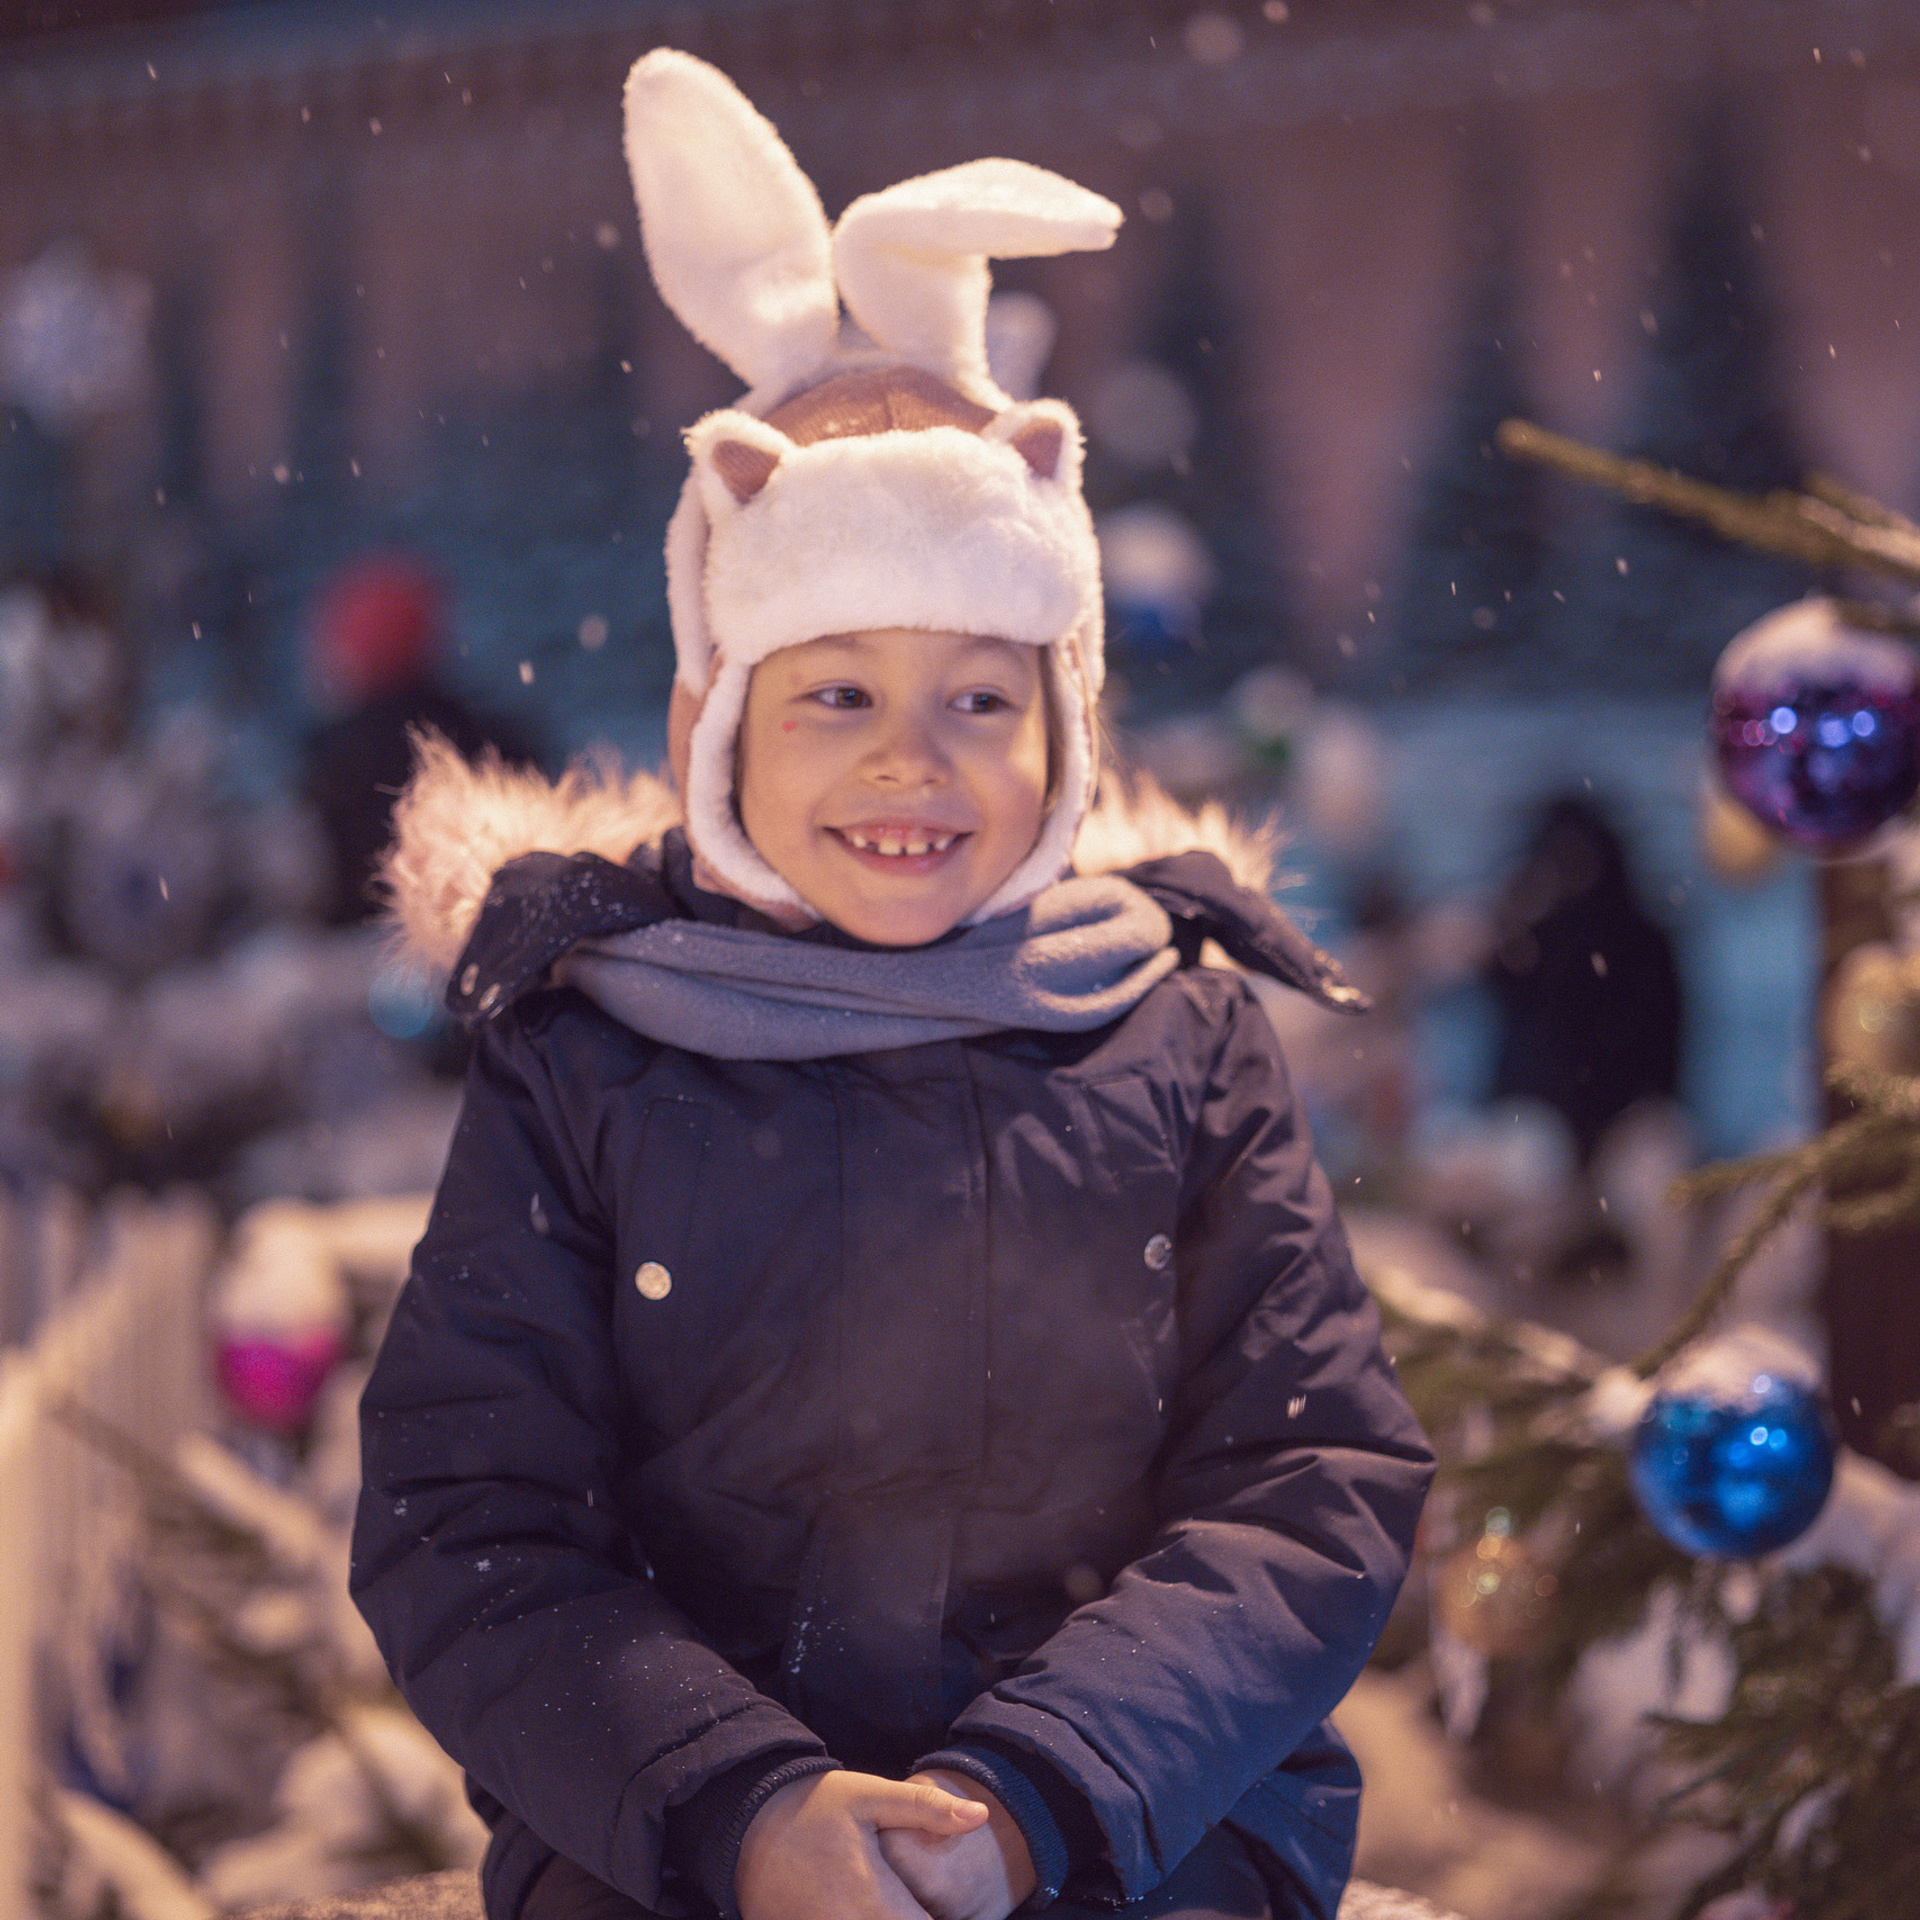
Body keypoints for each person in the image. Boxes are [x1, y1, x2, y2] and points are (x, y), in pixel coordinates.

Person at [350, 51, 1432, 1920]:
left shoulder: (1175, 1034)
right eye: (835, 691)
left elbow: (1305, 1479)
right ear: (720, 730)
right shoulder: (591, 1053)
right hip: (676, 1856)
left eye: (980, 700)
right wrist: (743, 1806)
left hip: (1142, 1840)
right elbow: (471, 1520)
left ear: (1066, 735)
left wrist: (1037, 1798)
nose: (908, 765)